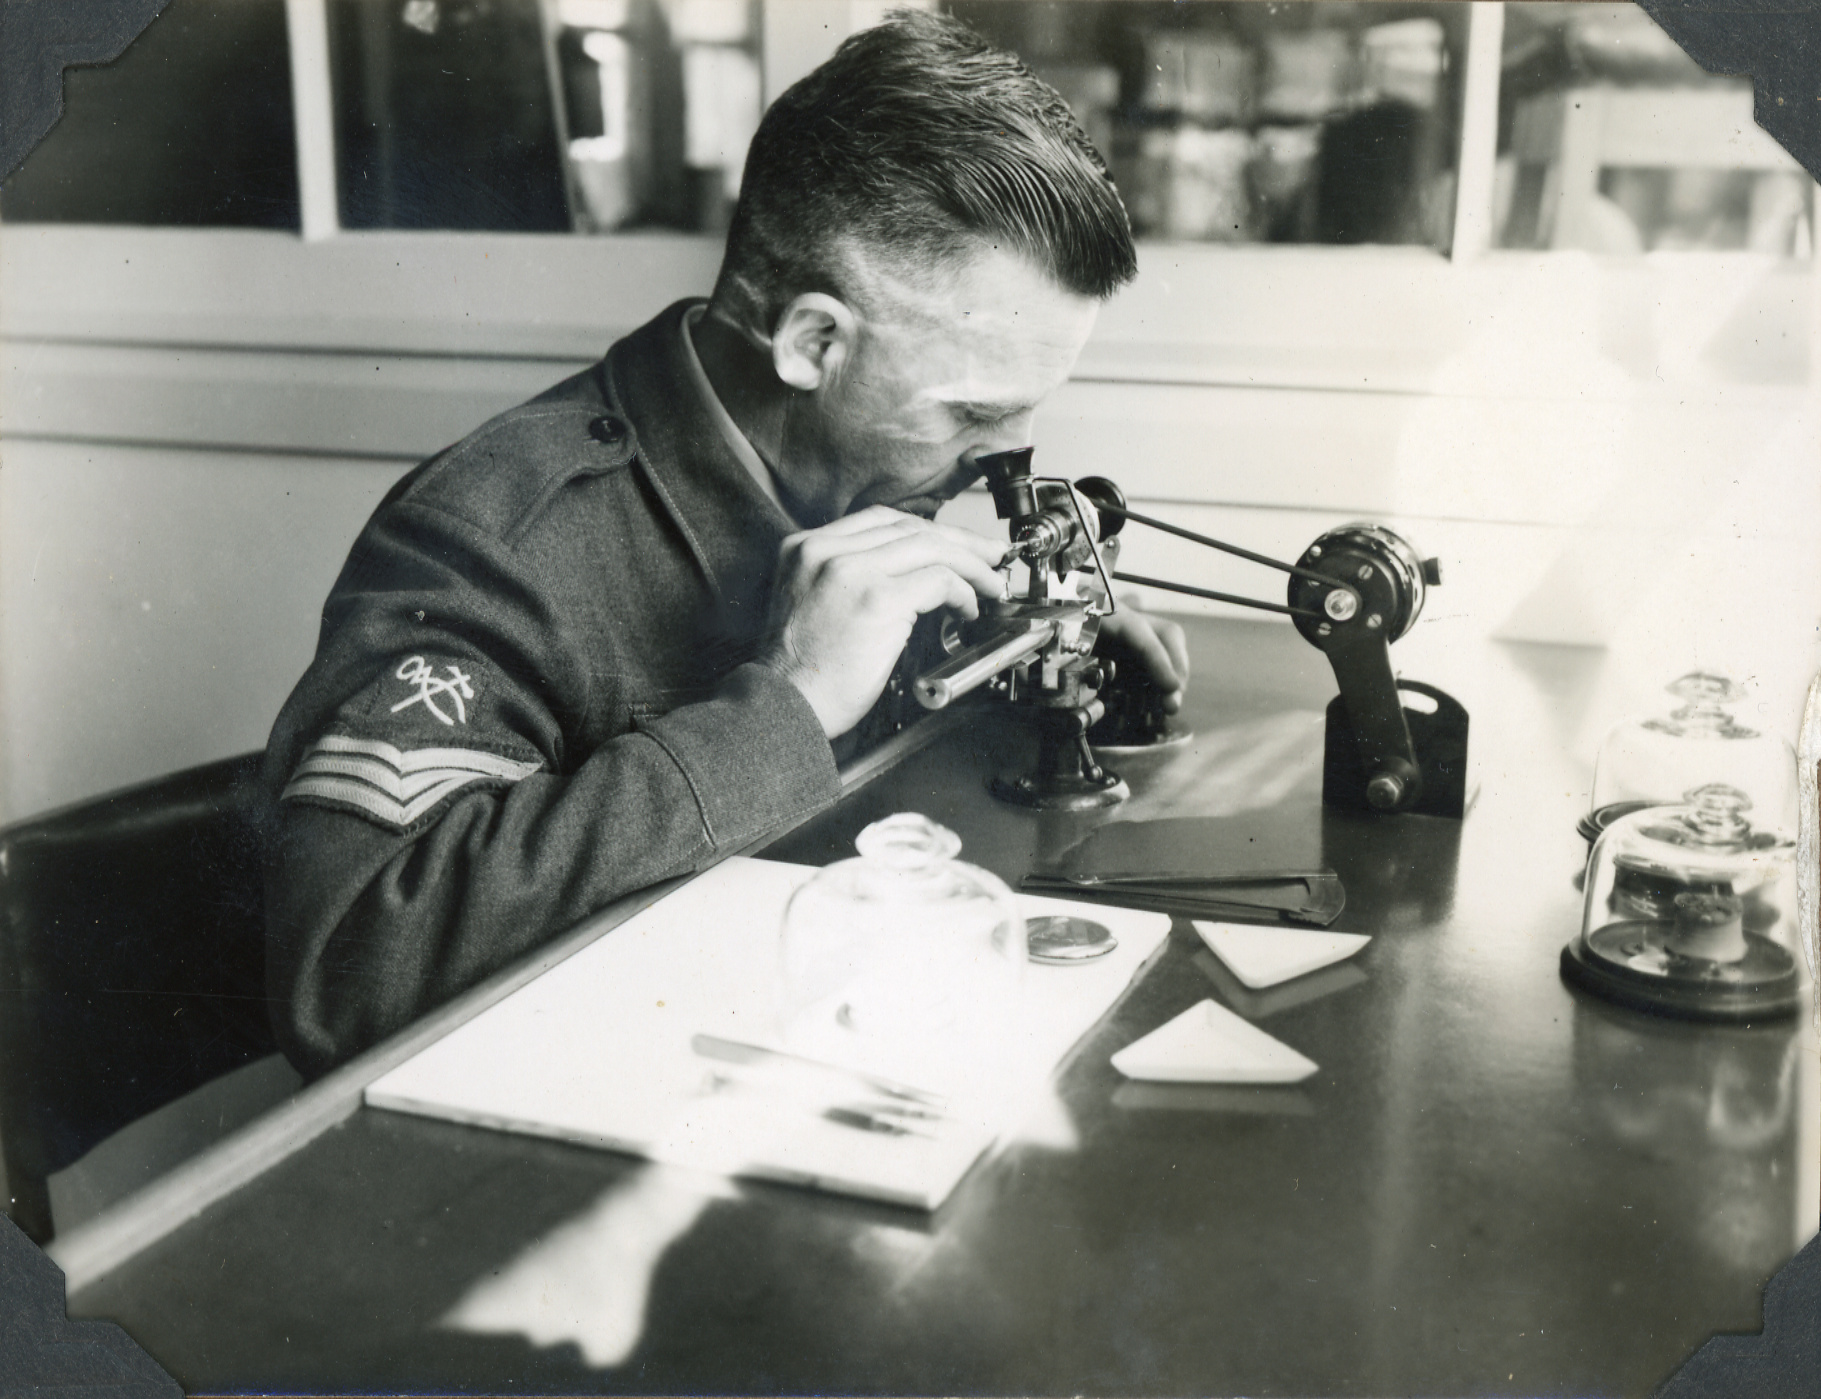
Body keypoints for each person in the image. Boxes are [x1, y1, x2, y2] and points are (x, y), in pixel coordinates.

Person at [262, 10, 1190, 1078]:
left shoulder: (863, 461)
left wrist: (1025, 640)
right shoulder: (492, 538)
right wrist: (785, 705)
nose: (1006, 460)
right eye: (974, 417)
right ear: (813, 343)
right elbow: (343, 975)